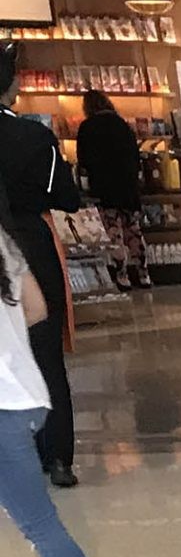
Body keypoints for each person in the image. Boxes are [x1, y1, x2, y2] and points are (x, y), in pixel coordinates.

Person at [0, 222, 124, 557]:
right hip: (25, 397)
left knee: (40, 527)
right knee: (41, 524)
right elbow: (35, 309)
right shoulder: (2, 240)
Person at [0, 43, 81, 486]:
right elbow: (65, 195)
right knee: (45, 351)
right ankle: (57, 458)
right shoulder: (34, 137)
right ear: (11, 85)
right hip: (29, 242)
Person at [74, 90, 150, 293]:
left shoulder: (87, 127)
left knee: (113, 231)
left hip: (105, 187)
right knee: (133, 229)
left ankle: (122, 275)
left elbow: (83, 160)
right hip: (128, 186)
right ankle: (143, 274)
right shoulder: (122, 125)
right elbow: (135, 156)